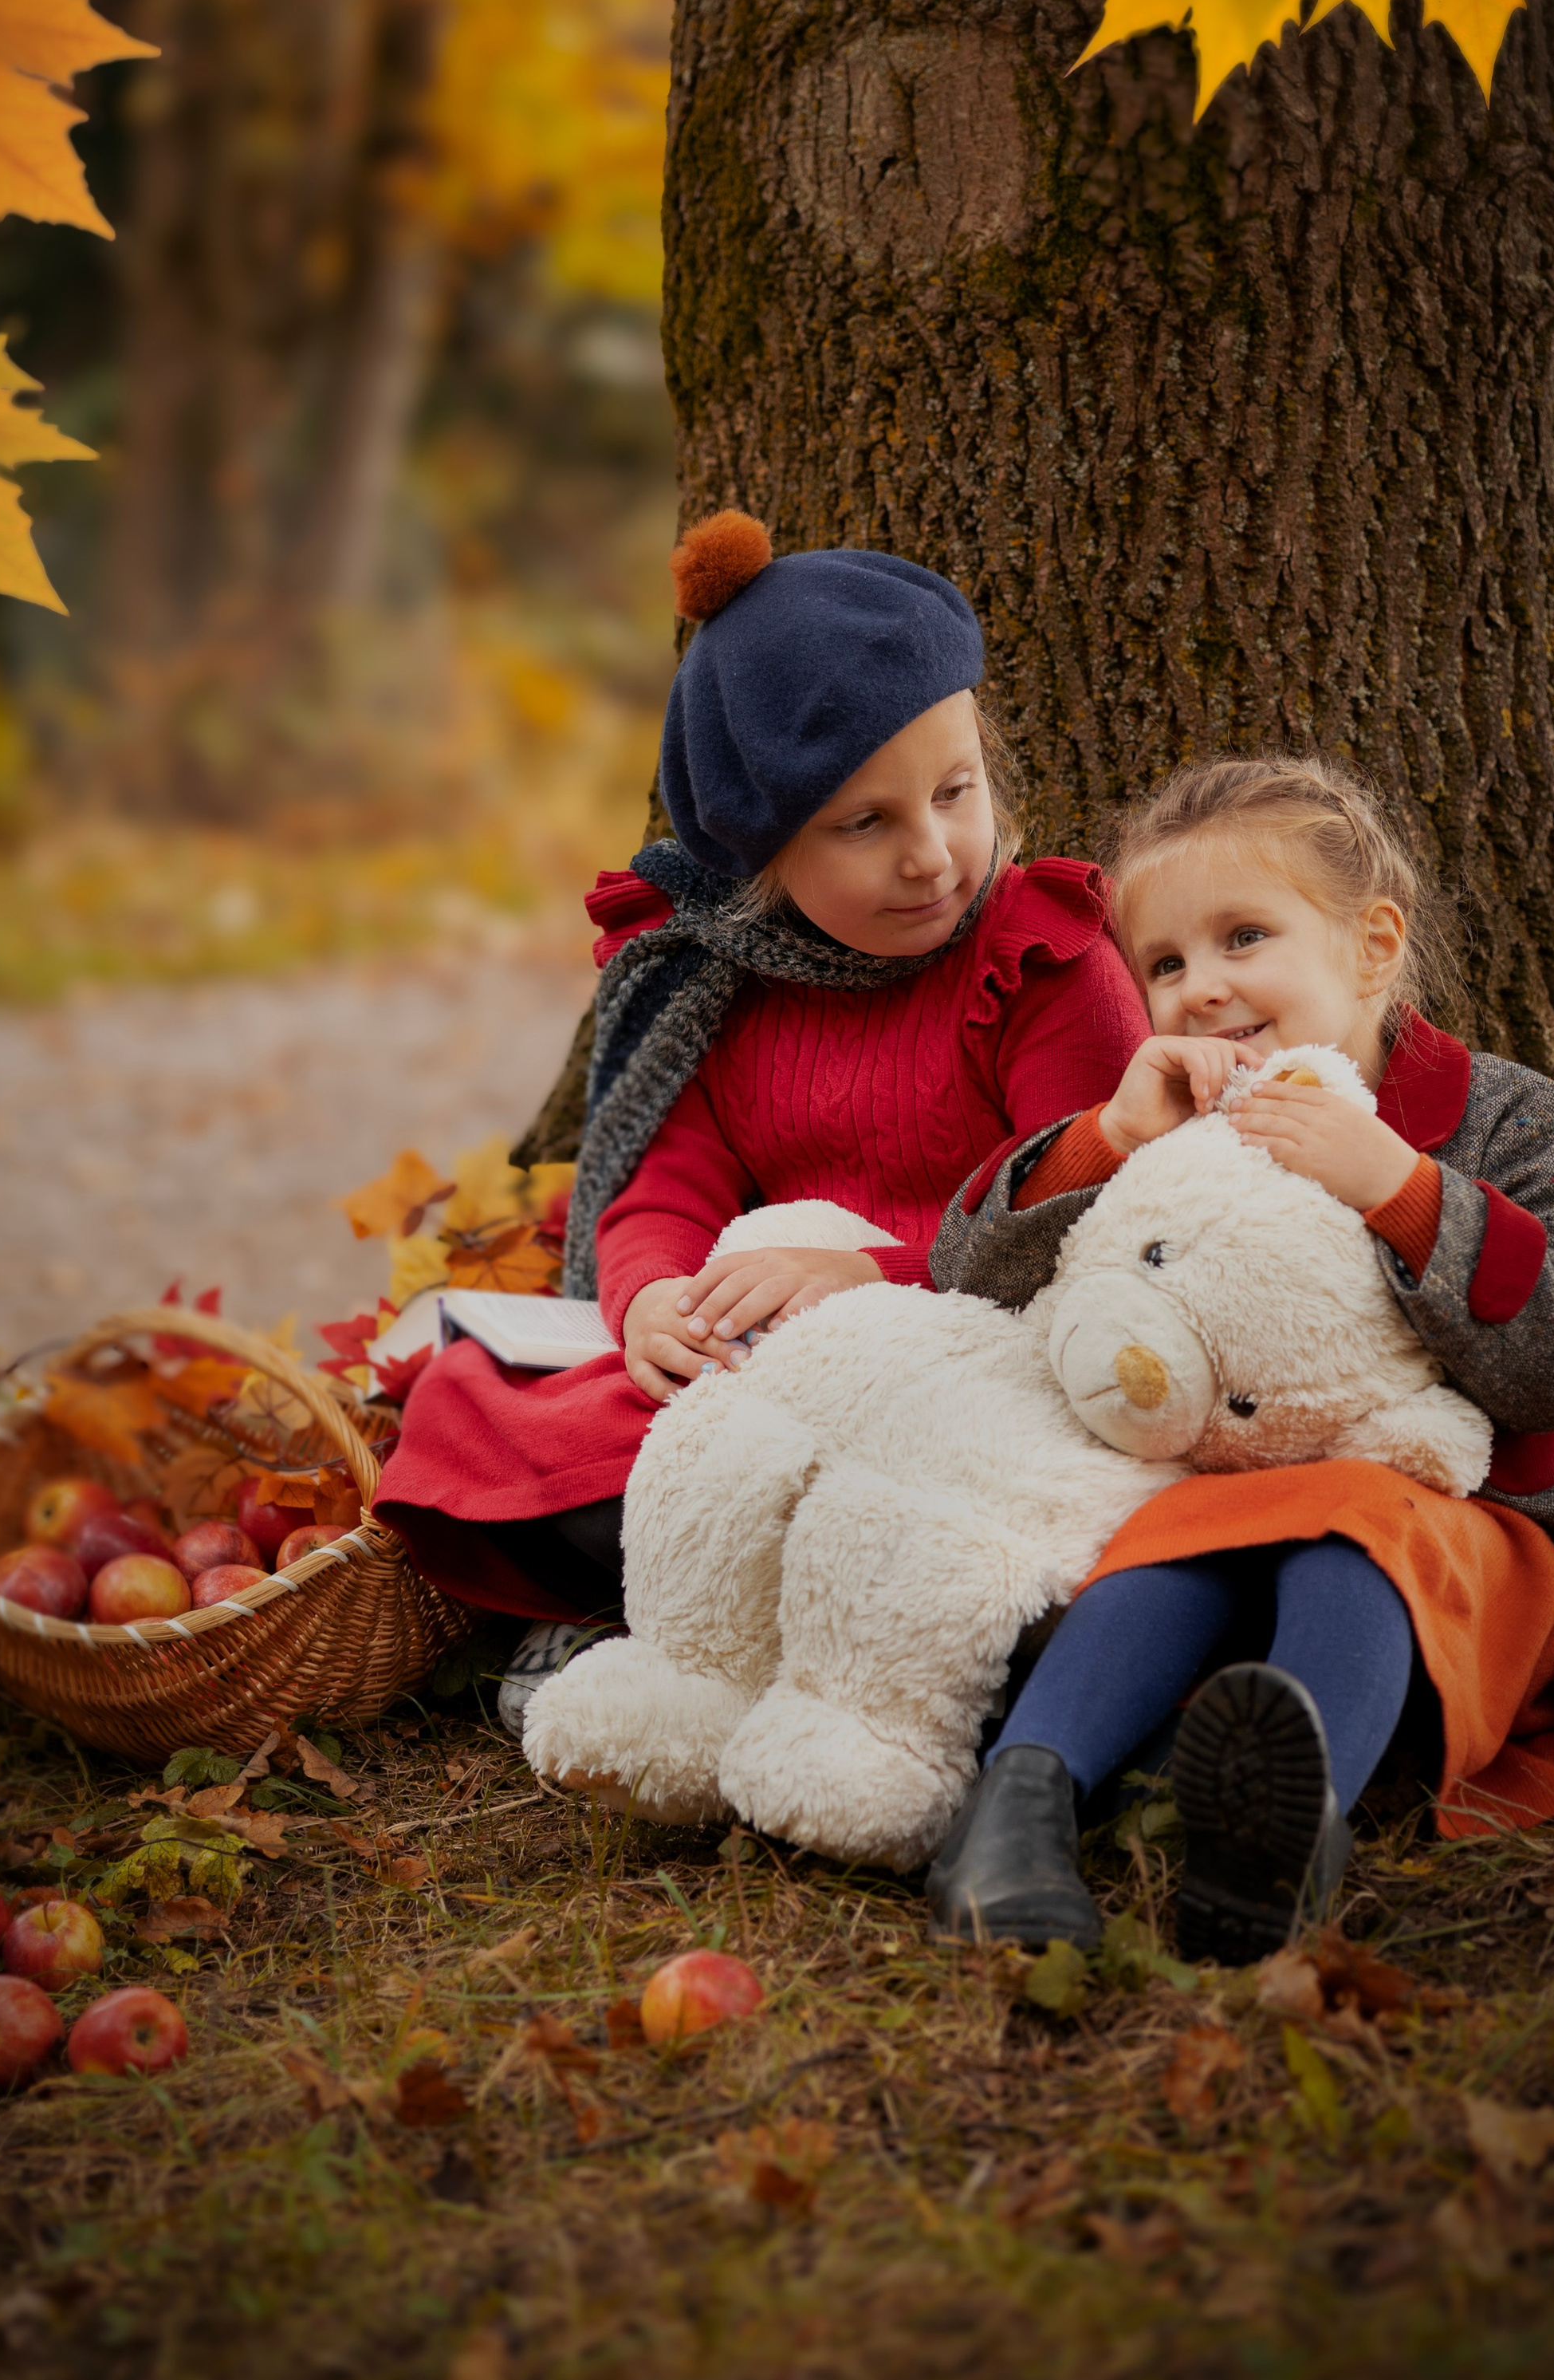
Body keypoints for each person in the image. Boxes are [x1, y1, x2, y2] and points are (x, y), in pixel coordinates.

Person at [926, 753, 1554, 1964]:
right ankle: (1017, 1811)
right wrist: (1108, 1139)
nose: (1202, 988)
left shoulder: (1514, 1118)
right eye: (1164, 964)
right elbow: (967, 1277)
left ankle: (1278, 1836)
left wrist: (1401, 1187)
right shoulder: (1170, 1126)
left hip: (1464, 1530)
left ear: (1373, 948)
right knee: (1174, 1551)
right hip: (1220, 1512)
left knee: (1355, 1529)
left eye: (1244, 937)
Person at [370, 510, 1148, 1735]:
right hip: (764, 1364)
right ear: (764, 854)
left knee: (928, 1490)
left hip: (971, 1351)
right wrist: (653, 1305)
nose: (933, 854)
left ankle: (791, 1633)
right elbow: (661, 1185)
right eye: (863, 824)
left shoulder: (1039, 959)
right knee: (473, 1408)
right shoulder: (717, 984)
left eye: (955, 791)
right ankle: (704, 1612)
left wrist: (865, 1272)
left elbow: (1087, 1208)